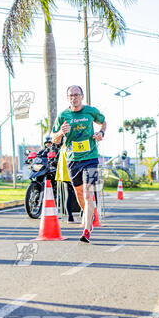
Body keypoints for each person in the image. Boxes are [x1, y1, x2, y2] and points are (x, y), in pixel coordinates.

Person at [52, 85, 106, 243]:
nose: (73, 98)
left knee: (89, 194)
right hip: (72, 159)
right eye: (70, 95)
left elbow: (103, 122)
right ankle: (89, 213)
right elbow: (54, 139)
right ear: (67, 97)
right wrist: (61, 132)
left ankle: (87, 229)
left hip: (91, 157)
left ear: (82, 96)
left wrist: (101, 133)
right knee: (79, 194)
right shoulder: (63, 116)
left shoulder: (91, 111)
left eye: (76, 95)